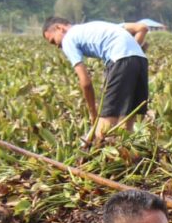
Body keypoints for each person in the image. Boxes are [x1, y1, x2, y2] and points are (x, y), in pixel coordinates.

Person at [42, 17, 151, 146]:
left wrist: (93, 113)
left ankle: (92, 156)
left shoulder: (68, 39)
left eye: (54, 41)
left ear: (60, 28)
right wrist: (131, 50)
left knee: (103, 128)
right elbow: (142, 28)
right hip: (140, 60)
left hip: (120, 60)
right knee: (126, 124)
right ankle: (126, 159)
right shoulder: (97, 26)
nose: (58, 46)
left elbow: (86, 82)